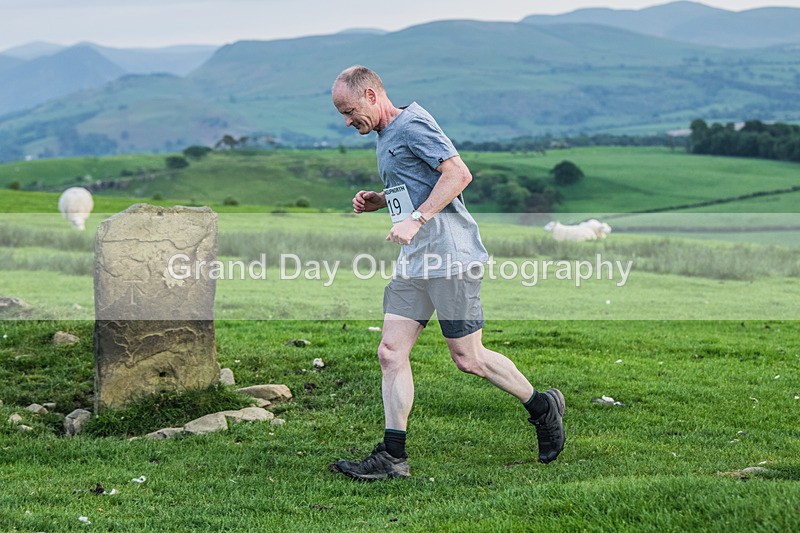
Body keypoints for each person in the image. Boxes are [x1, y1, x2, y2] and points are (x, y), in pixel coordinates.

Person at [329, 65, 565, 480]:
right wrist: (381, 200)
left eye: (350, 111)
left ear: (370, 96)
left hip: (450, 259)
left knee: (468, 358)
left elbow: (458, 173)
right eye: (342, 115)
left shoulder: (413, 123)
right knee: (390, 352)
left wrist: (416, 220)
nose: (348, 122)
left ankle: (542, 407)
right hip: (416, 261)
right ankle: (393, 457)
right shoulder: (386, 135)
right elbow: (417, 182)